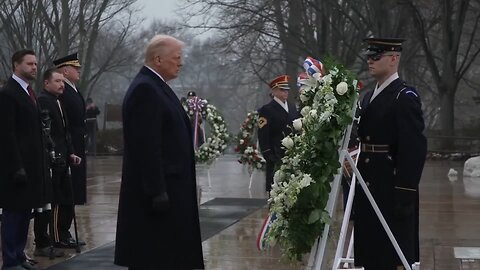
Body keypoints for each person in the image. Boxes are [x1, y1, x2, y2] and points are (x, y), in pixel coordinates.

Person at [114, 34, 204, 270]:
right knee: (155, 258)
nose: (180, 62)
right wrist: (157, 190)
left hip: (172, 188)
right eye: (176, 57)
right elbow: (146, 146)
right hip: (158, 196)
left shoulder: (157, 87)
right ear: (158, 59)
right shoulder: (146, 90)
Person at [353, 37, 427, 270]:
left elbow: (413, 149)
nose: (370, 61)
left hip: (390, 184)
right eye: (369, 56)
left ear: (394, 59)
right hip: (369, 181)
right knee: (372, 251)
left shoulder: (403, 96)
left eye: (376, 56)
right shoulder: (369, 96)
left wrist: (405, 191)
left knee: (392, 255)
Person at [0, 49, 46, 270]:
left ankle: (19, 255)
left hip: (31, 165)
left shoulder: (29, 92)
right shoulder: (8, 93)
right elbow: (6, 133)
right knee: (13, 214)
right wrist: (16, 166)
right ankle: (10, 261)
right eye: (29, 64)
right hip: (15, 166)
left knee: (24, 212)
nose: (34, 68)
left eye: (36, 64)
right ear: (16, 65)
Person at [34, 68, 82, 256]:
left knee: (66, 198)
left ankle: (62, 233)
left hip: (63, 157)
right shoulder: (44, 101)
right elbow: (47, 133)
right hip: (52, 160)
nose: (62, 85)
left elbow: (64, 132)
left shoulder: (58, 101)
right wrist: (53, 154)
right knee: (54, 201)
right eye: (57, 81)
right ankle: (53, 237)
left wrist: (71, 152)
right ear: (46, 83)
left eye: (63, 81)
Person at [53, 52, 87, 247]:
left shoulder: (73, 89)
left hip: (77, 145)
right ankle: (60, 231)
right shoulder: (63, 91)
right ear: (65, 71)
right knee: (67, 190)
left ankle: (65, 231)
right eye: (75, 68)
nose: (79, 71)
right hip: (69, 145)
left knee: (74, 190)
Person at [257, 75, 300, 192]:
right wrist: (268, 154)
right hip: (276, 154)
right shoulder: (267, 109)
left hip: (291, 154)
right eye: (282, 89)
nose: (285, 92)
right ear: (274, 91)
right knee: (276, 189)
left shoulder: (291, 107)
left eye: (286, 89)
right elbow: (263, 134)